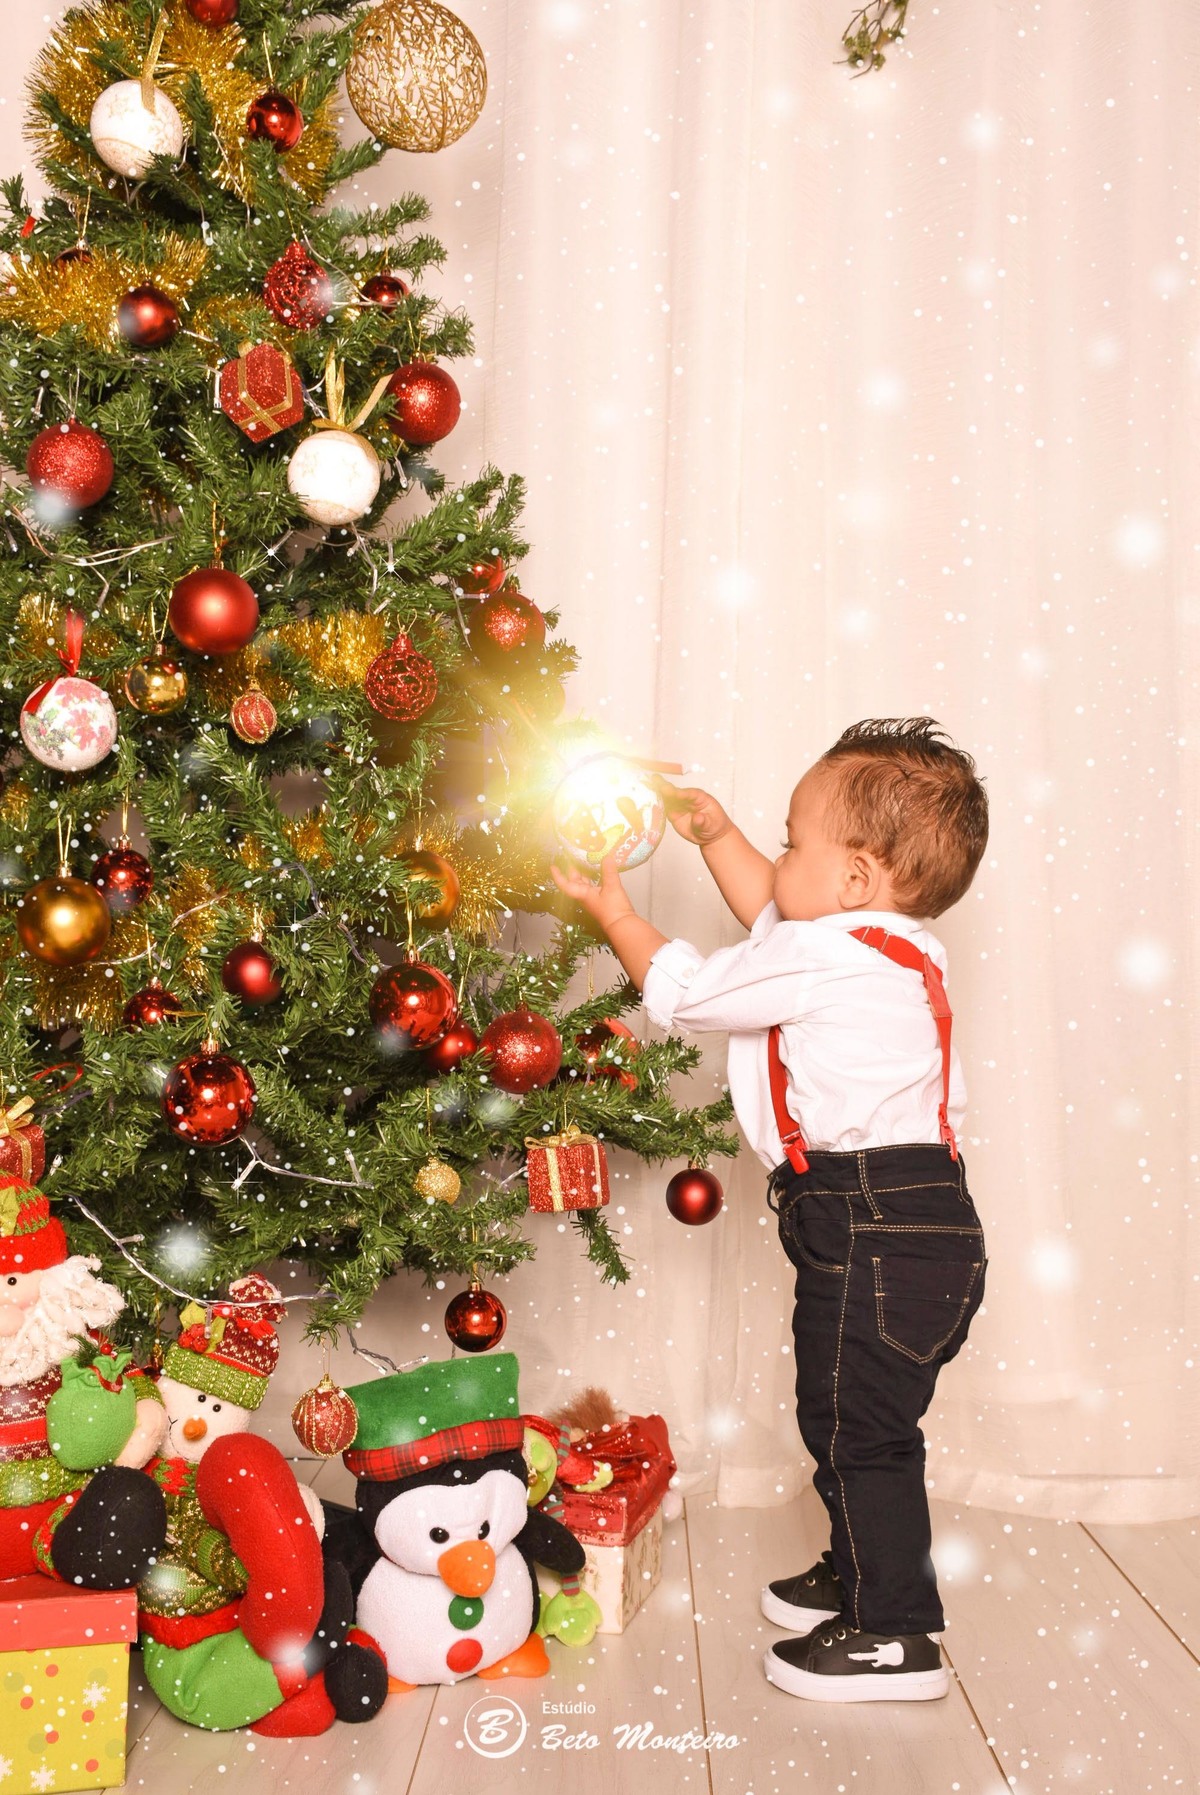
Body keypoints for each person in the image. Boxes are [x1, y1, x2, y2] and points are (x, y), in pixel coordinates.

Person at [551, 717, 989, 1703]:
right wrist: (719, 836)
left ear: (857, 881)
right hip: (924, 1218)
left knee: (856, 1428)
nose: (777, 856)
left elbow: (698, 992)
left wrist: (614, 910)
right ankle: (860, 1568)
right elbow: (783, 919)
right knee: (855, 1417)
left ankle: (893, 1634)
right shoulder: (894, 945)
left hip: (869, 1221)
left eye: (792, 842)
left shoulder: (828, 958)